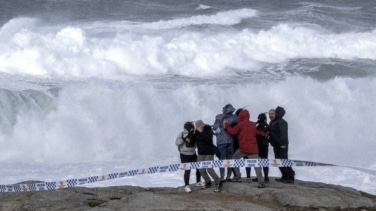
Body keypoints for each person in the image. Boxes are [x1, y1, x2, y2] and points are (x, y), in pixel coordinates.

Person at [223, 109, 266, 188]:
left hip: (243, 149)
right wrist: (264, 134)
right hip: (253, 149)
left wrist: (227, 126)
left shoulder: (240, 124)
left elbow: (233, 132)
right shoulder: (253, 124)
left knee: (234, 159)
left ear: (240, 116)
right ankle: (261, 182)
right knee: (257, 166)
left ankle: (238, 176)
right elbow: (257, 132)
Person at [193, 120, 222, 192]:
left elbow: (208, 139)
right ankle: (207, 181)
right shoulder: (196, 132)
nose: (199, 128)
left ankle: (218, 182)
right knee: (201, 169)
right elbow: (193, 141)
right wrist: (192, 134)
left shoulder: (208, 129)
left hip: (209, 152)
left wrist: (201, 132)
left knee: (209, 169)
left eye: (200, 127)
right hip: (201, 153)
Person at [268, 106, 295, 184]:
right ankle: (284, 176)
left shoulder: (282, 122)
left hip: (282, 145)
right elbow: (272, 133)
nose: (271, 115)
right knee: (278, 161)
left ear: (277, 114)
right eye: (270, 114)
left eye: (273, 113)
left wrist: (282, 144)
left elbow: (283, 134)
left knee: (284, 160)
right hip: (276, 145)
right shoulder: (272, 122)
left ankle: (290, 177)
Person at [213, 104, 239, 182]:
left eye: (223, 108)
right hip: (230, 140)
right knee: (230, 159)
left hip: (221, 141)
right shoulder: (234, 118)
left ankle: (222, 176)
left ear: (225, 109)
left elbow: (214, 127)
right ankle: (228, 176)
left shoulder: (218, 116)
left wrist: (219, 130)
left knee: (221, 159)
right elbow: (239, 122)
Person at [175, 122, 203, 193]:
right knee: (187, 170)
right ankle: (186, 185)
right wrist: (184, 139)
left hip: (193, 154)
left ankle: (198, 181)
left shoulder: (194, 134)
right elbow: (176, 143)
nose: (192, 129)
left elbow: (196, 144)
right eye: (191, 128)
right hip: (184, 155)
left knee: (198, 167)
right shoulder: (181, 134)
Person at [252, 113, 270, 183]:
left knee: (258, 162)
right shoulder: (268, 126)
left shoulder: (257, 126)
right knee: (265, 161)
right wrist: (267, 142)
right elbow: (269, 136)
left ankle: (259, 177)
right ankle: (266, 177)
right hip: (265, 146)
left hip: (258, 146)